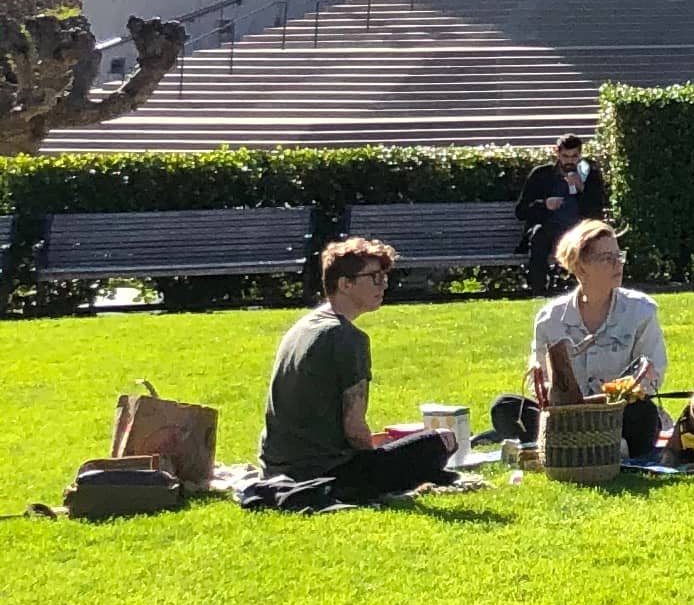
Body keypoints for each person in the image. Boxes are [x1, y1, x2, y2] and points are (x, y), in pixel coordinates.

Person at [258, 239, 455, 501]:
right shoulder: (347, 337)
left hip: (276, 467)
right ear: (345, 284)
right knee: (442, 439)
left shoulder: (304, 326)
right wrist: (377, 458)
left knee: (394, 444)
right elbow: (354, 429)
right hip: (325, 474)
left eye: (384, 277)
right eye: (374, 277)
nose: (383, 285)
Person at [494, 220, 668, 458]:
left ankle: (566, 446)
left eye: (619, 256)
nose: (618, 264)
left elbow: (652, 374)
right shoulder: (550, 318)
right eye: (607, 258)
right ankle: (598, 446)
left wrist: (611, 398)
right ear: (580, 267)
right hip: (566, 416)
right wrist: (555, 396)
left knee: (643, 414)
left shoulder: (641, 310)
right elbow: (539, 378)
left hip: (617, 414)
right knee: (505, 406)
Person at [517, 134, 607, 287]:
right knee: (539, 235)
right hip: (549, 227)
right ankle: (538, 289)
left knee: (592, 239)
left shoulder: (590, 176)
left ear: (580, 155)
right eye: (565, 156)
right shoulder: (541, 175)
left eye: (574, 156)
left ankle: (592, 286)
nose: (570, 161)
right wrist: (545, 204)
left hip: (579, 229)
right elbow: (521, 211)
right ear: (557, 153)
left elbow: (597, 211)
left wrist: (582, 188)